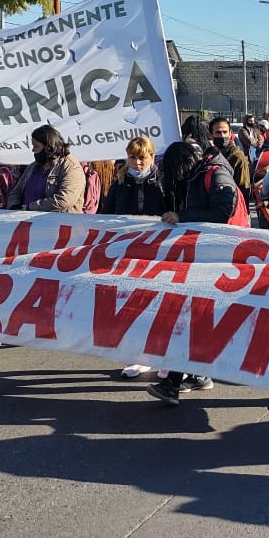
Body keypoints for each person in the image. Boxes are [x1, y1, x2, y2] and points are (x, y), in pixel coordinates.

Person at [145, 140, 240, 405]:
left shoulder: (216, 173)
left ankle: (173, 382)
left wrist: (182, 216)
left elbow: (223, 212)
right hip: (204, 256)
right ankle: (197, 374)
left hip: (219, 258)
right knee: (195, 318)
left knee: (189, 318)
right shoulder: (202, 172)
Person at [101, 136, 165, 378]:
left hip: (157, 253)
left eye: (143, 157)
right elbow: (107, 213)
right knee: (132, 304)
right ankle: (139, 356)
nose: (138, 162)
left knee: (158, 305)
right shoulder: (120, 180)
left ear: (151, 156)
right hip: (127, 252)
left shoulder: (162, 180)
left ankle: (162, 356)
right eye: (133, 157)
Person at [7, 125, 86, 212]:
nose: (33, 150)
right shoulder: (33, 166)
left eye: (36, 146)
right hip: (26, 222)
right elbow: (16, 192)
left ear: (48, 147)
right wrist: (14, 207)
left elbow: (65, 200)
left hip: (56, 223)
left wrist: (30, 208)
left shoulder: (71, 167)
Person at [209, 116, 253, 204]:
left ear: (230, 134)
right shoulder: (208, 155)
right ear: (210, 135)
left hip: (232, 207)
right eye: (218, 132)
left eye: (225, 132)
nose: (222, 136)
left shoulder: (237, 157)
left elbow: (244, 189)